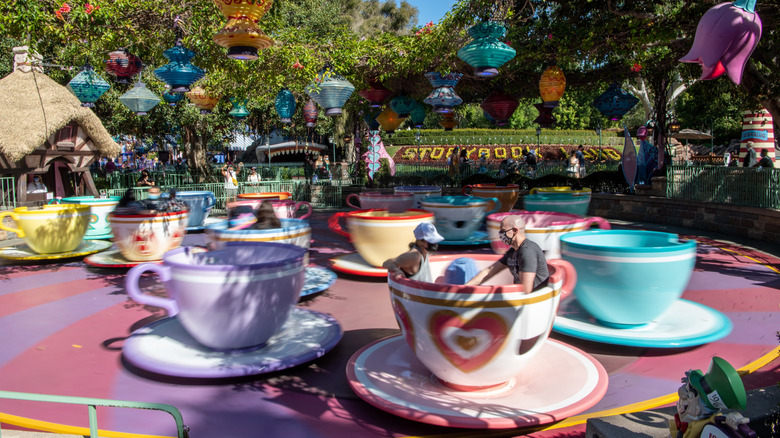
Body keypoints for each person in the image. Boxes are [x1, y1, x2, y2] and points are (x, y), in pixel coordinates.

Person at [465, 215, 549, 293]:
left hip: (533, 300)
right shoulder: (512, 252)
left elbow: (525, 289)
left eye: (503, 230)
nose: (501, 234)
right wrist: (465, 287)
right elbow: (489, 271)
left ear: (515, 231)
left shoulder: (528, 251)